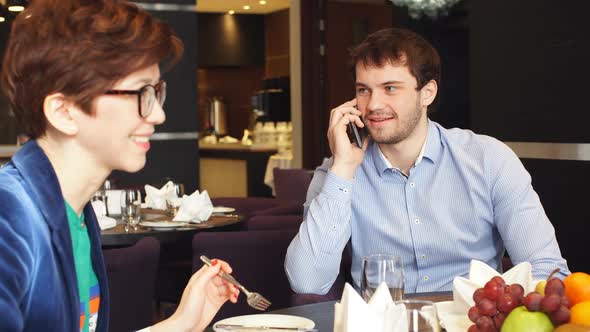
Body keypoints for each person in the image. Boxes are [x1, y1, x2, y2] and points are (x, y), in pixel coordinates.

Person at [0, 0, 238, 331]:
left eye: (157, 92)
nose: (158, 114)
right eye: (141, 92)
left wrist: (183, 322)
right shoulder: (8, 216)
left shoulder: (77, 213)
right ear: (64, 111)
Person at [285, 28, 570, 295]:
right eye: (363, 90)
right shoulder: (337, 171)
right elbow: (307, 283)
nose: (372, 105)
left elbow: (546, 271)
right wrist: (343, 170)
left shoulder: (489, 160)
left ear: (427, 93)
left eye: (391, 88)